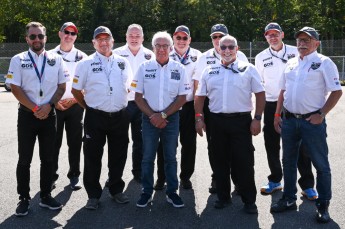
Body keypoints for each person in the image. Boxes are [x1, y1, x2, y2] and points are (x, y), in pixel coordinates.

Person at [271, 27, 342, 224]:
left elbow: (337, 92)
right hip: (290, 120)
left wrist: (321, 114)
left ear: (317, 43)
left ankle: (323, 205)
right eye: (300, 40)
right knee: (288, 161)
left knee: (321, 165)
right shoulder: (291, 63)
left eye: (307, 40)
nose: (302, 43)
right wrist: (277, 114)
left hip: (312, 121)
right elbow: (283, 91)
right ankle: (288, 199)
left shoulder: (324, 63)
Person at [195, 35, 265, 213]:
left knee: (244, 162)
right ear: (218, 49)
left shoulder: (248, 69)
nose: (226, 50)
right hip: (216, 122)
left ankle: (249, 201)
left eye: (230, 47)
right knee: (219, 161)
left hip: (241, 122)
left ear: (237, 49)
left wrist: (257, 118)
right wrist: (198, 118)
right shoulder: (209, 70)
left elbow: (260, 94)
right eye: (223, 47)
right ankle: (223, 197)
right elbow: (200, 96)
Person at [6, 21, 67, 216]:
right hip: (27, 116)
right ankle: (23, 198)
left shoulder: (56, 59)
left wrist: (48, 106)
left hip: (49, 115)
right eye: (33, 36)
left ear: (46, 38)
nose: (37, 40)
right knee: (24, 159)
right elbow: (15, 88)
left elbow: (62, 87)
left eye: (40, 36)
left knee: (48, 158)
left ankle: (46, 196)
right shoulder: (18, 59)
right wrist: (34, 107)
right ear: (27, 39)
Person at [72, 26, 132, 210]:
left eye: (107, 39)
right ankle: (93, 195)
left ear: (113, 41)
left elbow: (128, 86)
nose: (104, 42)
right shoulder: (85, 63)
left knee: (119, 155)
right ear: (94, 43)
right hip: (95, 117)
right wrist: (88, 108)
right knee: (92, 157)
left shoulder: (123, 62)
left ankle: (116, 190)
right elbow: (75, 90)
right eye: (100, 39)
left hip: (120, 116)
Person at [255, 22, 317, 199]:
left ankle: (307, 185)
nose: (272, 37)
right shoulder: (260, 57)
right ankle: (275, 180)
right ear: (265, 37)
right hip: (271, 103)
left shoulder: (296, 50)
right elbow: (259, 84)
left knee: (301, 146)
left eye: (276, 34)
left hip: (294, 103)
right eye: (269, 34)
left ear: (282, 35)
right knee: (271, 143)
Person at [131, 31, 189, 208]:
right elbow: (138, 97)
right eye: (158, 46)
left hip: (171, 119)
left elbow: (182, 97)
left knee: (171, 157)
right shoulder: (144, 67)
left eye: (165, 46)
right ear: (153, 47)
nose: (162, 49)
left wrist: (163, 115)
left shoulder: (179, 69)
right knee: (147, 156)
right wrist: (152, 116)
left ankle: (172, 192)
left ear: (171, 48)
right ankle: (146, 192)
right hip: (149, 119)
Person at [193, 24, 249, 194]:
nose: (218, 40)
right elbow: (198, 86)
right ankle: (218, 177)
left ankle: (238, 180)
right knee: (215, 146)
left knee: (236, 148)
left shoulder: (241, 56)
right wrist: (199, 114)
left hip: (235, 108)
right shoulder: (204, 57)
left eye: (221, 36)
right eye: (215, 37)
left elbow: (247, 82)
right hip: (213, 108)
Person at [154, 25, 202, 190]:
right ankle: (162, 177)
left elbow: (197, 86)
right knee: (166, 143)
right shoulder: (165, 52)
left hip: (188, 106)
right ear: (173, 39)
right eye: (178, 37)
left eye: (184, 38)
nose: (181, 41)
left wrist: (197, 112)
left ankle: (186, 177)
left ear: (189, 40)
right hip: (169, 106)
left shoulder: (197, 56)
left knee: (189, 144)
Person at [113, 24, 155, 183]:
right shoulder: (116, 54)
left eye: (138, 35)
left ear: (143, 38)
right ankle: (114, 176)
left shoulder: (150, 54)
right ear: (126, 36)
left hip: (142, 104)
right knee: (119, 141)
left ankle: (138, 172)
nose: (134, 38)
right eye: (131, 35)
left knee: (141, 141)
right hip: (122, 103)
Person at [51, 22, 87, 191]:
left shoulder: (83, 57)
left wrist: (75, 100)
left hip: (75, 105)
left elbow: (88, 83)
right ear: (60, 34)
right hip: (54, 105)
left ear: (76, 37)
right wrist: (54, 101)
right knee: (53, 143)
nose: (69, 36)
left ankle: (74, 175)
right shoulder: (49, 55)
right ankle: (51, 176)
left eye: (73, 33)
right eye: (66, 32)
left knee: (75, 143)